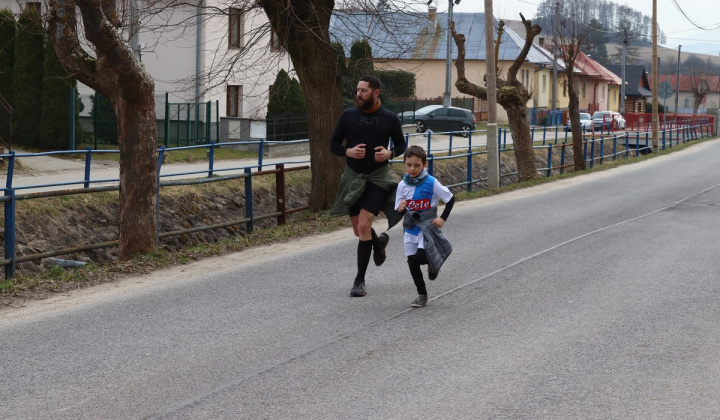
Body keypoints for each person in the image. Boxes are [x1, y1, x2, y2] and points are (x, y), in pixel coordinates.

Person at [330, 75, 407, 297]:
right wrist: (348, 151)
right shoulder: (348, 115)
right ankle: (379, 241)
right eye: (358, 90)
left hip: (377, 178)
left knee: (364, 225)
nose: (359, 95)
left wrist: (390, 153)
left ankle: (359, 281)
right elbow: (333, 144)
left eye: (364, 91)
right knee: (358, 230)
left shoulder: (389, 118)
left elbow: (401, 144)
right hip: (353, 177)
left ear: (376, 93)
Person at [395, 145, 455, 307]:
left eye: (417, 165)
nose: (412, 168)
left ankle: (432, 263)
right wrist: (400, 209)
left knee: (421, 257)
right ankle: (422, 294)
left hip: (427, 227)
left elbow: (450, 199)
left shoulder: (431, 182)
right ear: (405, 164)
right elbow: (399, 210)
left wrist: (442, 218)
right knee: (412, 261)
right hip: (410, 228)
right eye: (409, 165)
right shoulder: (402, 185)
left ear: (424, 165)